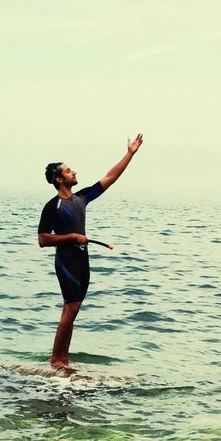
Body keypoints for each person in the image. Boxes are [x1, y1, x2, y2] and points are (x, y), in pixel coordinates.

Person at [37, 134, 144, 368]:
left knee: (74, 309)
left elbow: (110, 177)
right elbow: (43, 239)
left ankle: (63, 358)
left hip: (82, 260)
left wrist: (130, 153)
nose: (73, 172)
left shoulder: (82, 198)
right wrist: (73, 237)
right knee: (71, 307)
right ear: (58, 179)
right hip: (66, 261)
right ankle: (56, 360)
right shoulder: (52, 206)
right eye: (68, 171)